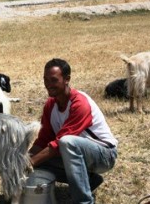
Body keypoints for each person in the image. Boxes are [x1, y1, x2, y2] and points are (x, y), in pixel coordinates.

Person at [29, 58, 118, 204]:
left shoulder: (79, 103)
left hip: (104, 155)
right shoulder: (50, 105)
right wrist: (24, 160)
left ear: (67, 79)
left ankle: (84, 201)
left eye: (53, 80)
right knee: (39, 160)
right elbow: (43, 140)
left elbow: (59, 143)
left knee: (66, 142)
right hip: (78, 153)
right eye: (45, 79)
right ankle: (89, 180)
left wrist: (30, 163)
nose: (48, 85)